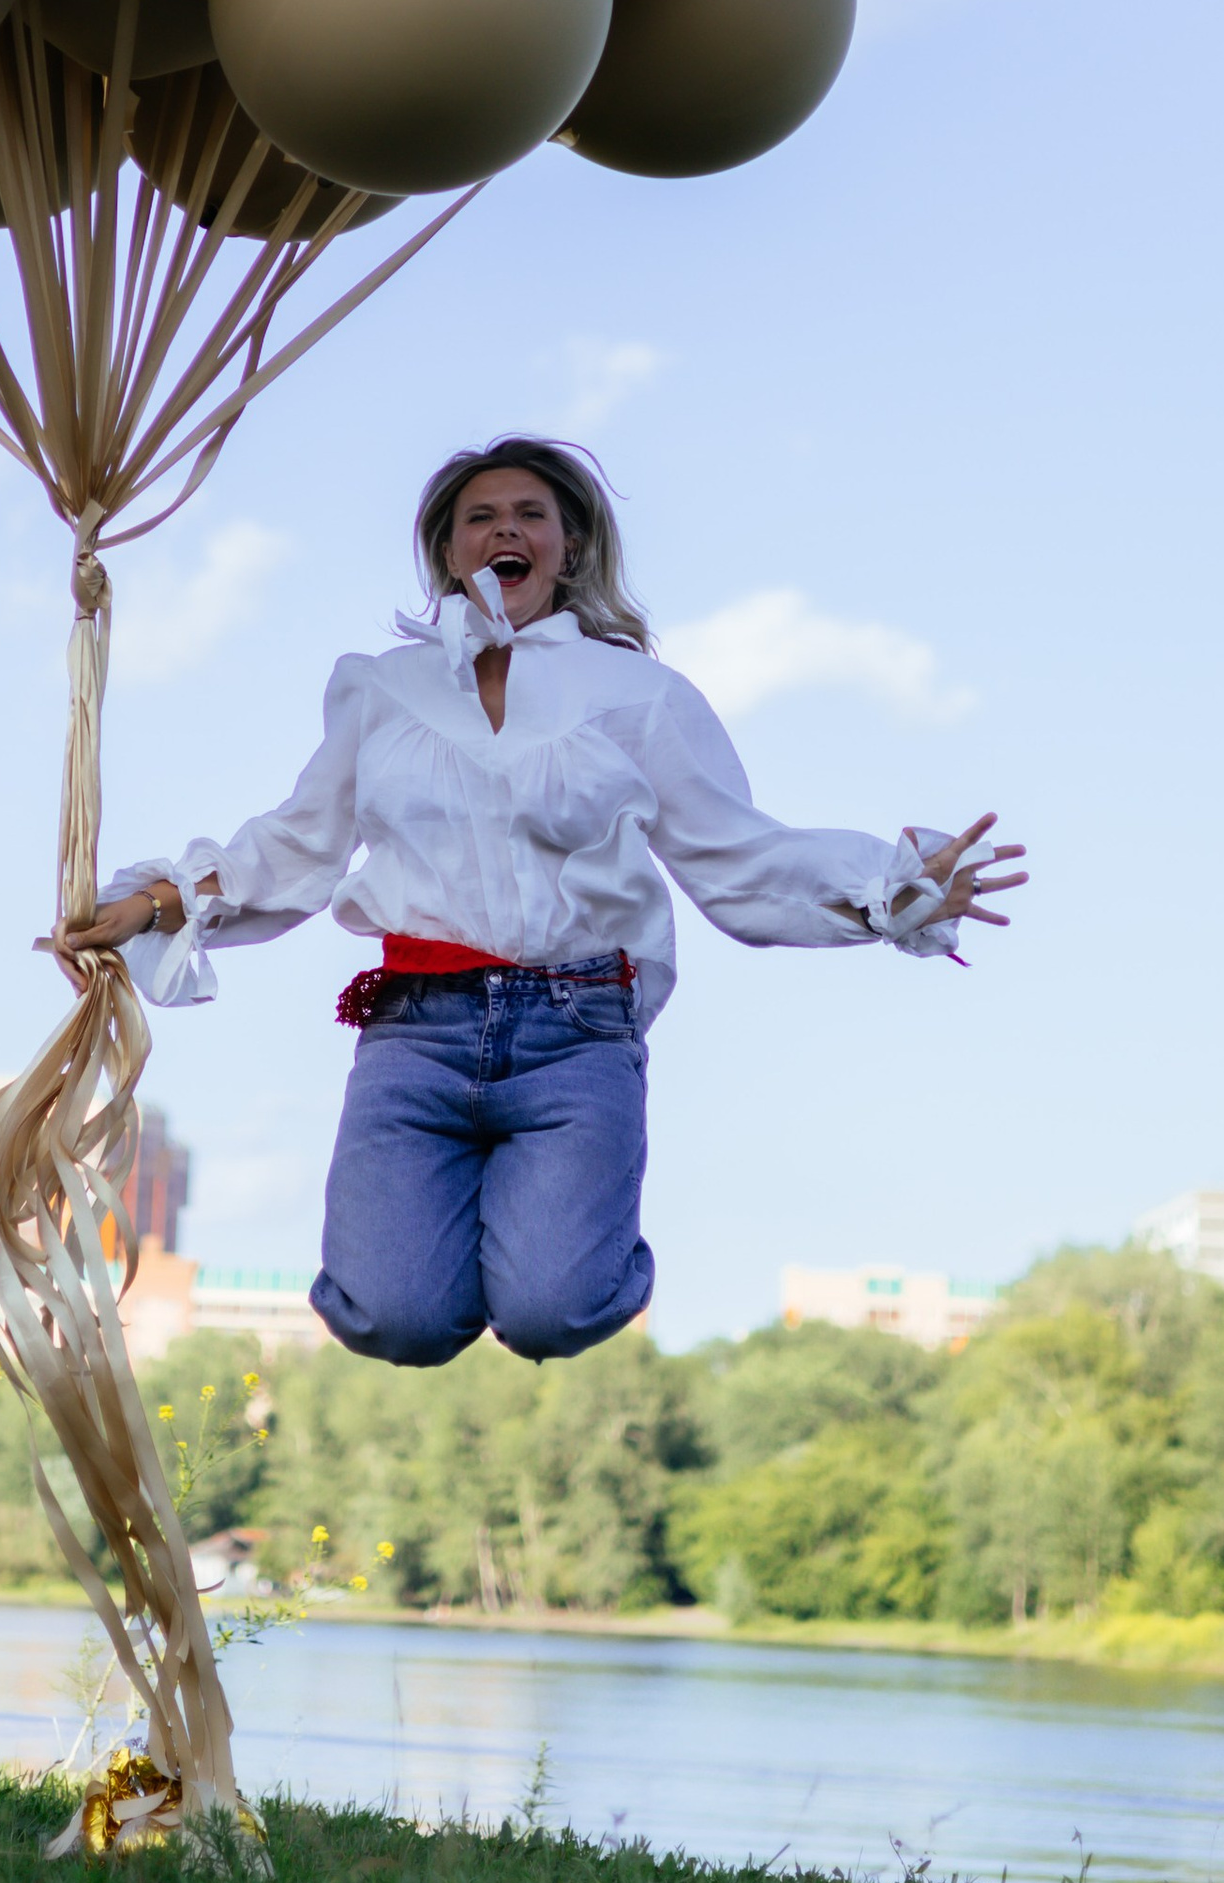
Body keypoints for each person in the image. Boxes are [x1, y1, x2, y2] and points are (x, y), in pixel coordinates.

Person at [60, 435, 1024, 1370]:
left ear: (567, 550)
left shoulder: (636, 694)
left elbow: (737, 853)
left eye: (531, 514)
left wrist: (893, 888)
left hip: (576, 1032)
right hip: (415, 1032)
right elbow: (299, 842)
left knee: (554, 1310)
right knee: (391, 1317)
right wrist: (155, 904)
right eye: (480, 517)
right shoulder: (383, 691)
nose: (503, 530)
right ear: (449, 549)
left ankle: (555, 1242)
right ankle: (465, 1246)